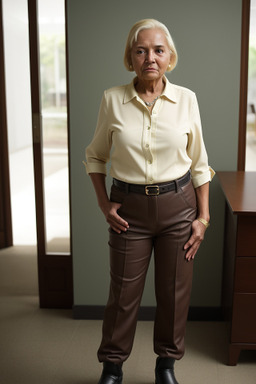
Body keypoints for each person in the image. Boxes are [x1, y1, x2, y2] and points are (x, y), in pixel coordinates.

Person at [84, 18, 214, 384]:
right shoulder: (112, 99)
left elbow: (200, 163)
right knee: (123, 295)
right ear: (131, 57)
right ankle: (112, 367)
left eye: (158, 50)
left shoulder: (187, 99)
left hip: (180, 206)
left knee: (174, 296)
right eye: (141, 51)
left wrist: (202, 219)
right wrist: (102, 203)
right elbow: (95, 157)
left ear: (170, 56)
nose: (150, 58)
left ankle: (166, 367)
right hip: (129, 210)